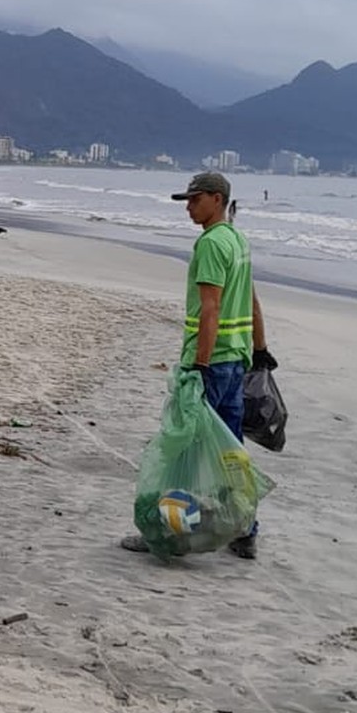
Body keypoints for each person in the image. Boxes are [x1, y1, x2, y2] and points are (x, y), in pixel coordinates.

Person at [123, 170, 274, 562]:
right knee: (230, 451)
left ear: (217, 200)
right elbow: (252, 299)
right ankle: (246, 531)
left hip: (210, 363)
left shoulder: (210, 244)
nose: (188, 207)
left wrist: (201, 366)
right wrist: (259, 348)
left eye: (194, 200)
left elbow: (211, 308)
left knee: (181, 450)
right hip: (237, 361)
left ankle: (165, 534)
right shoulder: (238, 240)